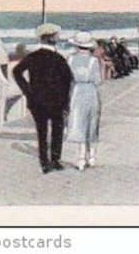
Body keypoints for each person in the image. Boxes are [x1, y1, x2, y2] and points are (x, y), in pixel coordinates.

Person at [12, 23, 73, 174]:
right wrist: (66, 102)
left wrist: (28, 91)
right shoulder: (59, 58)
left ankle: (44, 162)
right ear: (50, 38)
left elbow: (16, 71)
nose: (58, 38)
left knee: (42, 132)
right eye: (56, 36)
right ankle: (56, 160)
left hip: (37, 101)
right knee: (57, 131)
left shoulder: (32, 56)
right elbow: (68, 80)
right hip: (57, 101)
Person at [65, 31, 102, 171]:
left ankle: (80, 159)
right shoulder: (94, 60)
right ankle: (91, 156)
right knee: (92, 122)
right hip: (91, 91)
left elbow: (68, 78)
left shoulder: (71, 59)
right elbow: (98, 80)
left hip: (76, 91)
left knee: (78, 122)